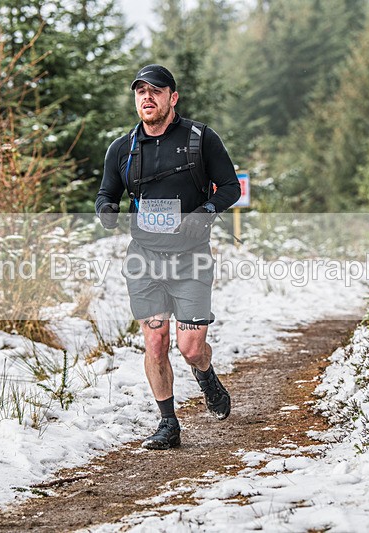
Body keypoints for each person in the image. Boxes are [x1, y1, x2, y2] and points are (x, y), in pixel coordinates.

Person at [95, 64, 241, 450]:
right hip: (143, 258)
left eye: (156, 91)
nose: (147, 97)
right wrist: (106, 209)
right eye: (140, 91)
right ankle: (168, 423)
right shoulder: (122, 148)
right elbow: (106, 193)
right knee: (156, 342)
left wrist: (207, 211)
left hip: (191, 258)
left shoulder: (200, 138)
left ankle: (205, 374)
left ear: (172, 98)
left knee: (190, 347)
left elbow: (229, 187)